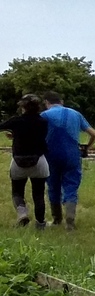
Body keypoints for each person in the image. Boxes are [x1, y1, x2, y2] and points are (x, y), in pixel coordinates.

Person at [40, 91, 95, 230]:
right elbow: (94, 134)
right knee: (71, 186)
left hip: (51, 156)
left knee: (53, 186)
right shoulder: (75, 114)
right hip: (72, 155)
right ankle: (70, 220)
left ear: (47, 103)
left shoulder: (44, 115)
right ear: (62, 102)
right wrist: (86, 147)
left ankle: (56, 219)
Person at [1, 94, 50, 228]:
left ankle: (22, 212)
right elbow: (35, 136)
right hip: (39, 160)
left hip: (18, 161)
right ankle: (40, 224)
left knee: (17, 191)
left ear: (22, 107)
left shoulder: (15, 121)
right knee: (38, 194)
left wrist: (15, 134)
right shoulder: (43, 122)